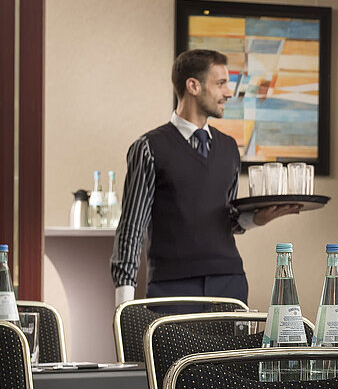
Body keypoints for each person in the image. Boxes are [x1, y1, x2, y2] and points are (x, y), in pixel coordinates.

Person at [111, 49, 299, 306]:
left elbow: (228, 219)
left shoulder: (229, 148)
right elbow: (131, 229)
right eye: (221, 83)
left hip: (229, 282)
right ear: (193, 86)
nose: (229, 93)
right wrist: (124, 306)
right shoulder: (149, 148)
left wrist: (257, 219)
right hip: (171, 286)